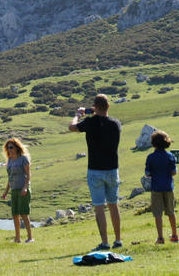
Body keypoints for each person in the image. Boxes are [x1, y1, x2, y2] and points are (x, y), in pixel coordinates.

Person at [69, 94, 123, 251]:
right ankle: (118, 240)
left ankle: (105, 242)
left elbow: (72, 127)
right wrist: (96, 111)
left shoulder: (90, 122)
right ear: (108, 107)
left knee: (99, 207)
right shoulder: (116, 123)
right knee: (114, 205)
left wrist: (78, 115)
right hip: (112, 169)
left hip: (95, 170)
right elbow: (103, 121)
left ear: (95, 106)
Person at [144, 130, 179, 244]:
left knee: (157, 213)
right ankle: (174, 235)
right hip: (168, 187)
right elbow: (174, 172)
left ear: (153, 143)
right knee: (171, 211)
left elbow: (147, 173)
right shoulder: (170, 156)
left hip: (156, 188)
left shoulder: (151, 157)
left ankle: (160, 238)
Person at [0, 138, 34, 243]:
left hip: (23, 189)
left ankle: (30, 238)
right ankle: (17, 238)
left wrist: (25, 187)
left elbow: (28, 175)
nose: (9, 150)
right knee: (15, 214)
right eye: (8, 148)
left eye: (11, 147)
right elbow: (10, 177)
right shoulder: (9, 160)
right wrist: (6, 192)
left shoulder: (23, 159)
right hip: (14, 189)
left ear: (17, 147)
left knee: (24, 214)